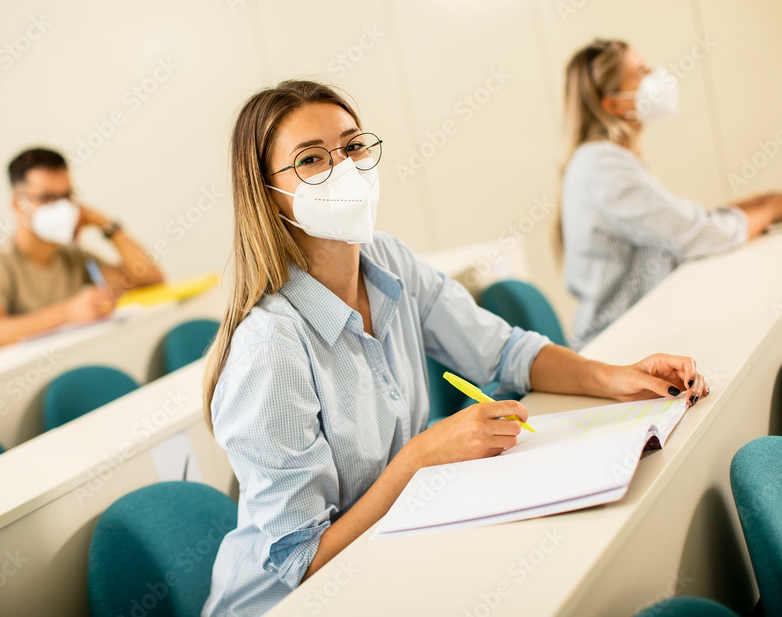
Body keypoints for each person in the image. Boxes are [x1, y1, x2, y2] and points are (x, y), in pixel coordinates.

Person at [200, 80, 710, 616]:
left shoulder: (388, 261)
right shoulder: (269, 349)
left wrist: (615, 376)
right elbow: (302, 561)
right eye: (310, 159)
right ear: (267, 193)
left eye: (352, 147)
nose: (344, 169)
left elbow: (505, 351)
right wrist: (417, 459)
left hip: (384, 564)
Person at [559, 39, 782, 349]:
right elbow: (699, 236)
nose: (655, 76)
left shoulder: (605, 159)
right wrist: (771, 210)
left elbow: (680, 225)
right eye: (641, 72)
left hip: (637, 329)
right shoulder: (605, 166)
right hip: (615, 343)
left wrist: (757, 204)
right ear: (612, 104)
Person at [0, 147, 164, 361]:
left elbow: (150, 281)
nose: (62, 208)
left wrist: (107, 225)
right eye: (48, 198)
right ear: (17, 204)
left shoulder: (72, 256)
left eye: (67, 196)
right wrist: (68, 313)